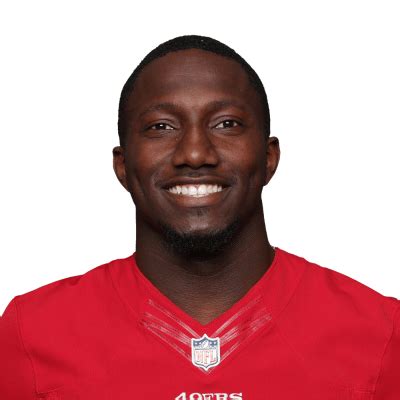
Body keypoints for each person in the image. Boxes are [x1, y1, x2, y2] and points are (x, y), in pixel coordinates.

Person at [0, 35, 398, 400]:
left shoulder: (381, 333)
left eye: (226, 124)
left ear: (269, 157)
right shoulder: (31, 332)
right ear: (122, 165)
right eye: (161, 126)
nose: (194, 153)